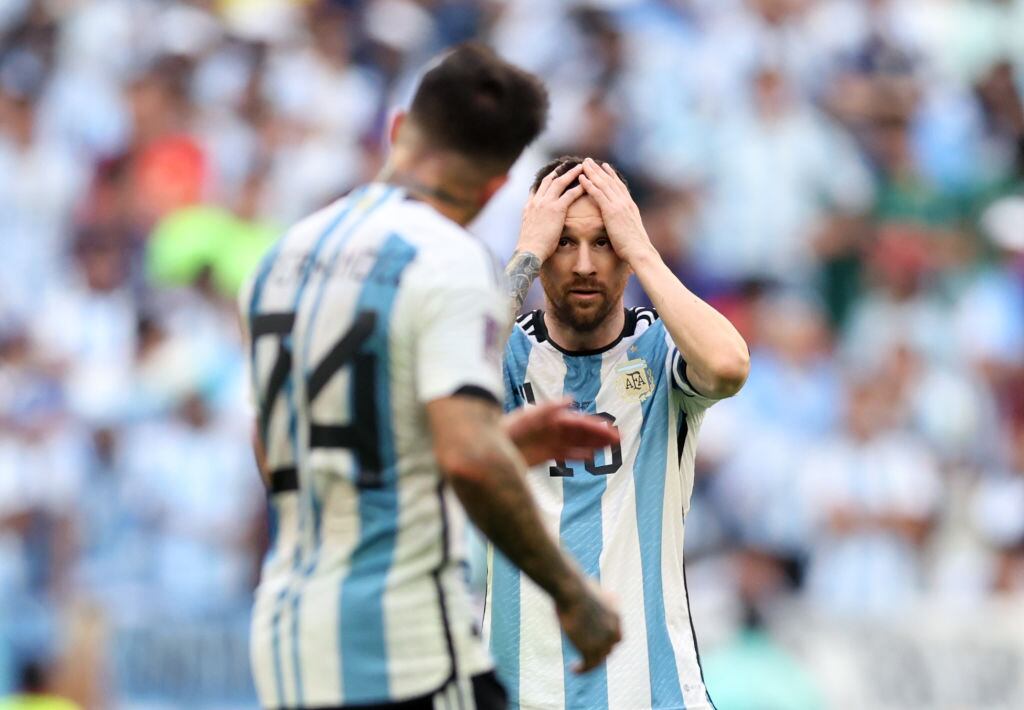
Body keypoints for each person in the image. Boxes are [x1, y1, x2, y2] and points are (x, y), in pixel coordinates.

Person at [240, 46, 622, 710]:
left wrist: (494, 443)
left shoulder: (282, 255)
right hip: (402, 644)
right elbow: (469, 461)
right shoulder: (448, 261)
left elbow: (277, 451)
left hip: (287, 635)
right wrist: (572, 593)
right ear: (496, 187)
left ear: (397, 131)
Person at [488, 156, 750, 709]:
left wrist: (644, 250)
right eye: (564, 241)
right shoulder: (505, 358)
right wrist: (524, 255)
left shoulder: (661, 352)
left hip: (652, 693)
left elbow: (729, 366)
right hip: (519, 693)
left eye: (604, 242)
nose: (584, 264)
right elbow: (435, 383)